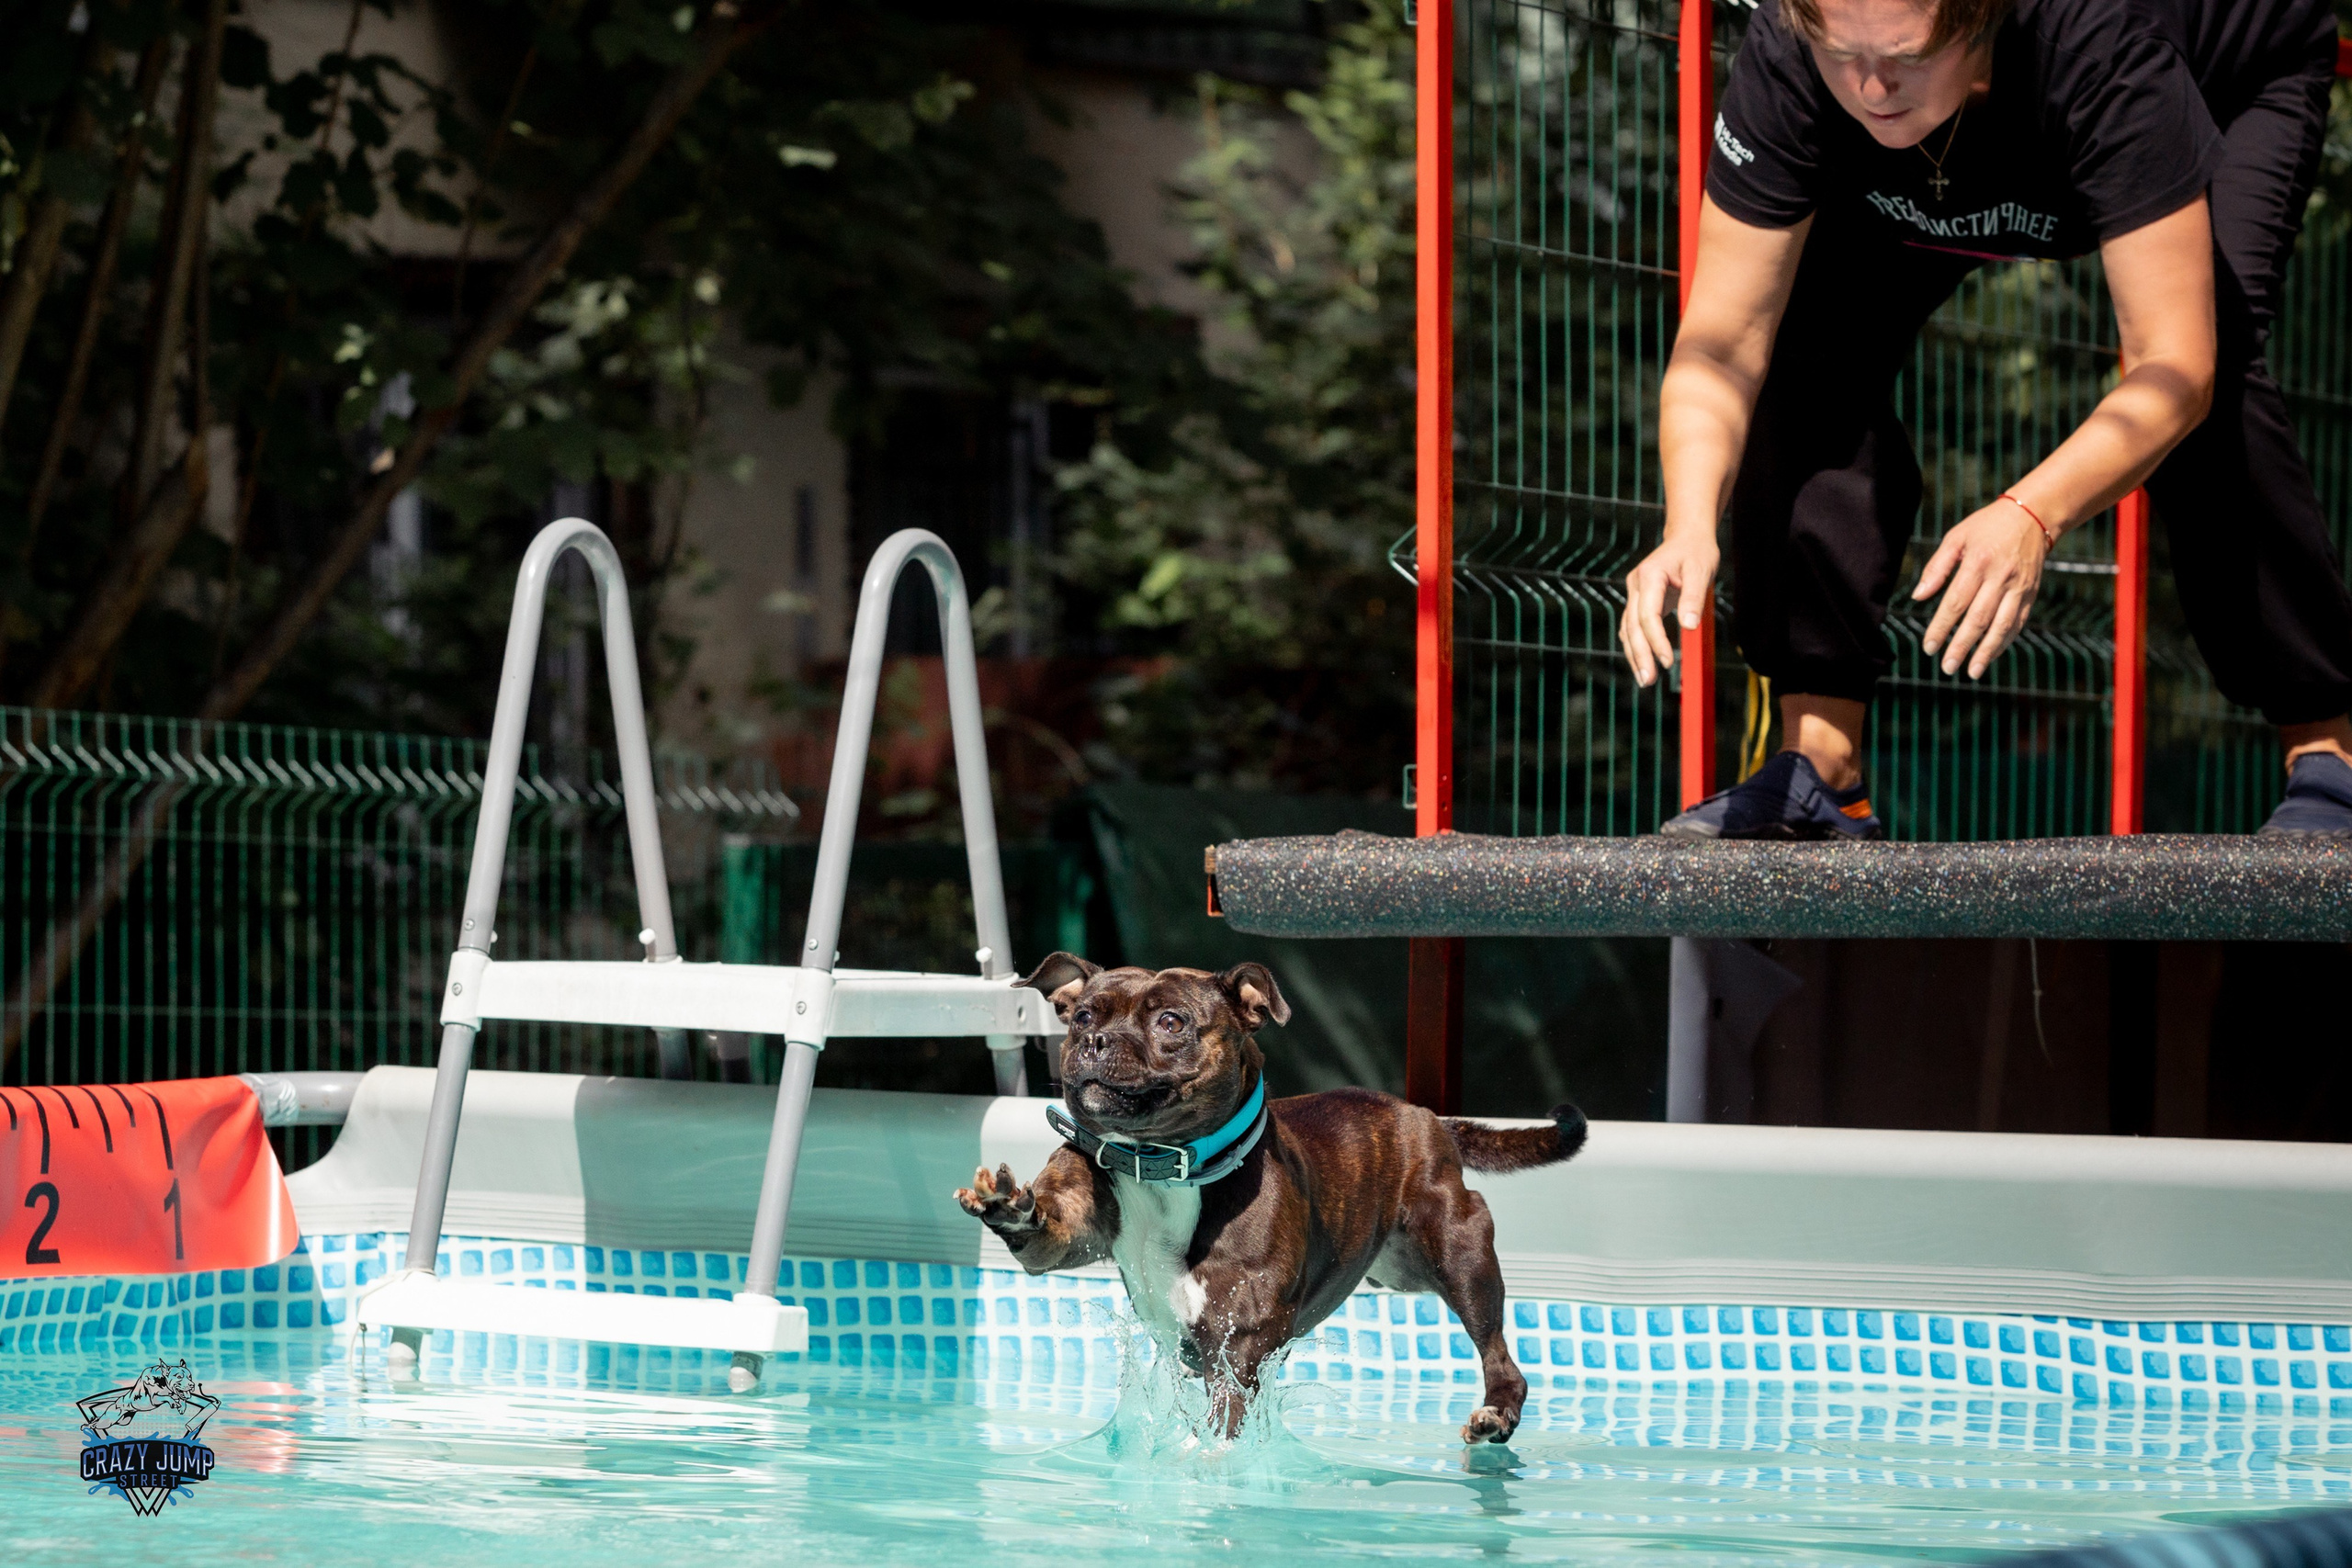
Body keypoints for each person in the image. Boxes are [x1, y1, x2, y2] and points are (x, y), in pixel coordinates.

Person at [1618, 0, 2352, 840]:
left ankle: (2328, 752)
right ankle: (1821, 768)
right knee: (1797, 347)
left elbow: (2174, 367)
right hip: (1951, 152)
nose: (1870, 87)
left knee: (2211, 382)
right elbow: (1722, 347)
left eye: (1903, 58)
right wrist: (1686, 521)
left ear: (1979, 21)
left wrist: (2032, 512)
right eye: (1842, 57)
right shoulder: (1794, 58)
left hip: (2228, 74)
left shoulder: (2100, 50)